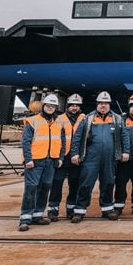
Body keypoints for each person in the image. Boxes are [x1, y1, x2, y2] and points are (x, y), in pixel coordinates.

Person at [69, 92, 130, 222]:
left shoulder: (117, 119)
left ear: (109, 105)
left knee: (108, 182)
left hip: (110, 158)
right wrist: (74, 153)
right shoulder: (87, 119)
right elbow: (77, 137)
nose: (103, 106)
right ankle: (79, 210)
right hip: (90, 158)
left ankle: (107, 209)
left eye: (106, 103)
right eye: (101, 103)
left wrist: (126, 152)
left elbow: (124, 136)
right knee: (86, 183)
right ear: (97, 104)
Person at [18, 93, 68, 230]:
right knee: (31, 188)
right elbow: (26, 142)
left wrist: (60, 158)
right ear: (43, 106)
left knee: (45, 188)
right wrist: (28, 159)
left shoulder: (58, 123)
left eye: (53, 106)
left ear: (56, 108)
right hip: (35, 161)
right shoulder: (32, 121)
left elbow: (62, 142)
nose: (50, 108)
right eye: (48, 105)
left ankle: (38, 215)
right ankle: (25, 218)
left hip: (51, 160)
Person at [47, 93, 85, 222]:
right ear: (68, 106)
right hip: (62, 157)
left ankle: (71, 210)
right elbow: (56, 138)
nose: (74, 108)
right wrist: (58, 157)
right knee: (57, 184)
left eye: (77, 105)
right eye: (72, 105)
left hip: (77, 158)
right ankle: (53, 210)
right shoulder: (60, 118)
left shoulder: (84, 118)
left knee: (75, 184)